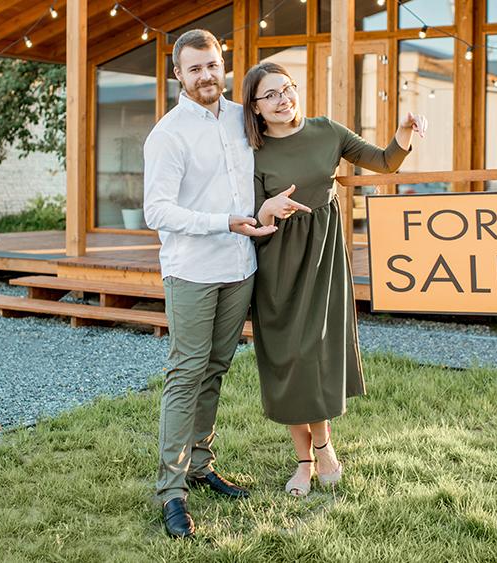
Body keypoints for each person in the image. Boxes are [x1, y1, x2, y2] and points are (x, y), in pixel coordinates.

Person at [241, 62, 428, 497]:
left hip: (322, 255)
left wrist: (404, 133)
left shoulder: (327, 131)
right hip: (275, 258)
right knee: (286, 359)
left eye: (286, 89)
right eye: (270, 95)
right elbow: (249, 212)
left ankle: (321, 448)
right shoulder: (251, 149)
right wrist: (267, 210)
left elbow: (383, 163)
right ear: (255, 106)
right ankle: (306, 460)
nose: (283, 99)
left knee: (314, 355)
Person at [143, 30, 276, 538]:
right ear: (178, 74)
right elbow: (158, 211)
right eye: (194, 68)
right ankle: (171, 490)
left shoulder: (245, 117)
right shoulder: (169, 134)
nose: (206, 75)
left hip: (239, 267)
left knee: (216, 368)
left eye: (213, 65)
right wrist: (223, 221)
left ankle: (199, 463)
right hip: (193, 270)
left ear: (224, 65)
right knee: (186, 373)